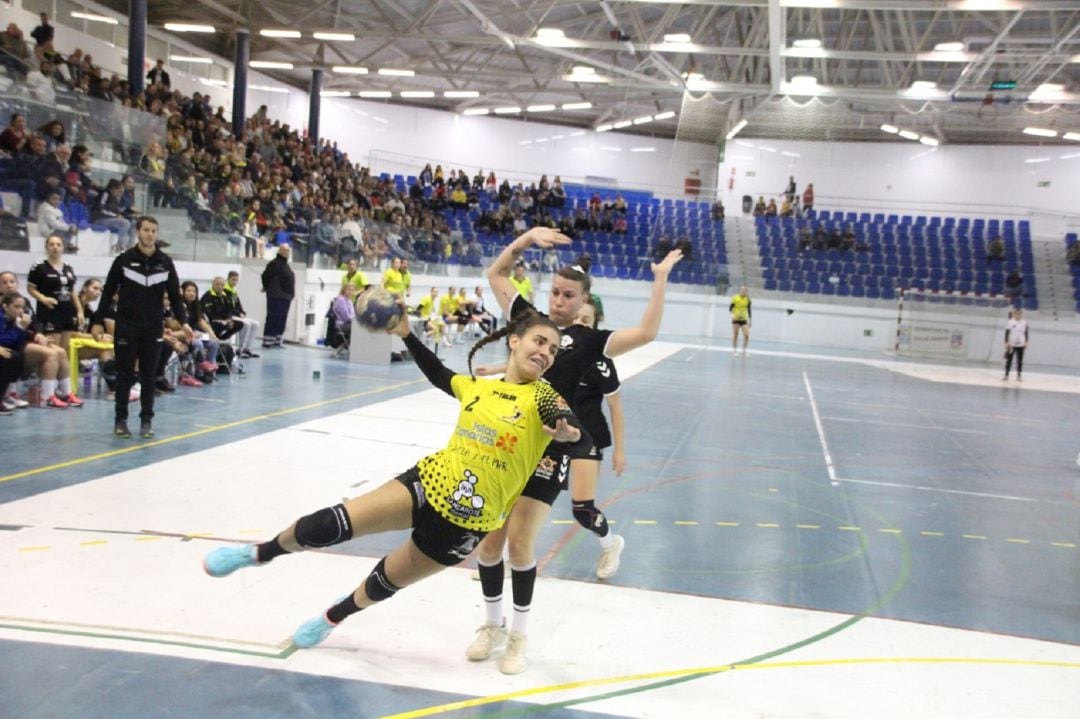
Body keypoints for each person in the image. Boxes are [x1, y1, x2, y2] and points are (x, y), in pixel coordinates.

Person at [201, 309, 588, 651]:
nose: (545, 352)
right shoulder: (477, 388)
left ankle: (332, 616)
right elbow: (439, 374)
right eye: (540, 341)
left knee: (384, 582)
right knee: (327, 525)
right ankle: (259, 554)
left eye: (553, 350)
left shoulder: (544, 398)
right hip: (427, 484)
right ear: (515, 341)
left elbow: (575, 430)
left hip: (465, 525)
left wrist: (569, 434)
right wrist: (406, 334)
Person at [469, 227, 682, 674]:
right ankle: (491, 625)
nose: (559, 301)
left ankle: (518, 637)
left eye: (568, 296)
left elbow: (647, 332)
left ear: (583, 299)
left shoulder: (589, 343)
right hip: (506, 447)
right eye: (556, 292)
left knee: (521, 545)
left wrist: (660, 278)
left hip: (548, 455)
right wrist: (525, 238)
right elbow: (496, 272)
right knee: (490, 545)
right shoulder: (528, 321)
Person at [92, 216, 189, 438]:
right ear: (138, 231)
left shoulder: (165, 262)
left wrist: (184, 322)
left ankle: (146, 421)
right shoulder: (123, 260)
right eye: (146, 230)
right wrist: (98, 321)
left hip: (153, 327)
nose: (150, 234)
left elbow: (175, 297)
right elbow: (107, 293)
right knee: (125, 375)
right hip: (127, 325)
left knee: (148, 375)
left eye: (154, 231)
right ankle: (121, 420)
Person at [27, 234, 83, 352]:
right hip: (50, 312)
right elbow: (31, 288)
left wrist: (79, 310)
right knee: (53, 350)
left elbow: (71, 290)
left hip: (66, 312)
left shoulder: (68, 267)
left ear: (63, 248)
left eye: (58, 245)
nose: (55, 247)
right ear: (46, 247)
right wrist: (43, 298)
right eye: (52, 244)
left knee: (65, 350)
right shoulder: (39, 267)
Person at [260, 244, 295, 349]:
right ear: (279, 251)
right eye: (284, 250)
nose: (286, 252)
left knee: (281, 319)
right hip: (276, 296)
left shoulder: (286, 264)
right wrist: (266, 287)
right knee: (273, 318)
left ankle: (277, 340)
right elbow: (265, 276)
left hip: (286, 297)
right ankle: (268, 341)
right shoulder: (274, 263)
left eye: (288, 250)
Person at [1002, 308, 1029, 382]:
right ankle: (1006, 375)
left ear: (1022, 314)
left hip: (1021, 344)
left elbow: (1026, 332)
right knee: (1009, 360)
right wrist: (1006, 342)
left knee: (1019, 360)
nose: (1018, 315)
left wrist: (1026, 341)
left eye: (1019, 314)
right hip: (1012, 344)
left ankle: (1019, 376)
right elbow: (1007, 332)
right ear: (1014, 314)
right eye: (1016, 314)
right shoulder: (1010, 322)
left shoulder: (1024, 322)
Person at [730, 285, 751, 357]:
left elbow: (749, 310)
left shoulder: (747, 299)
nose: (743, 291)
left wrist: (750, 320)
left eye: (745, 290)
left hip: (744, 319)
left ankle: (744, 351)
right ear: (739, 291)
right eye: (742, 290)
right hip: (736, 319)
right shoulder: (735, 298)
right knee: (736, 335)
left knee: (747, 335)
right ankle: (734, 351)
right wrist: (732, 315)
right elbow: (730, 307)